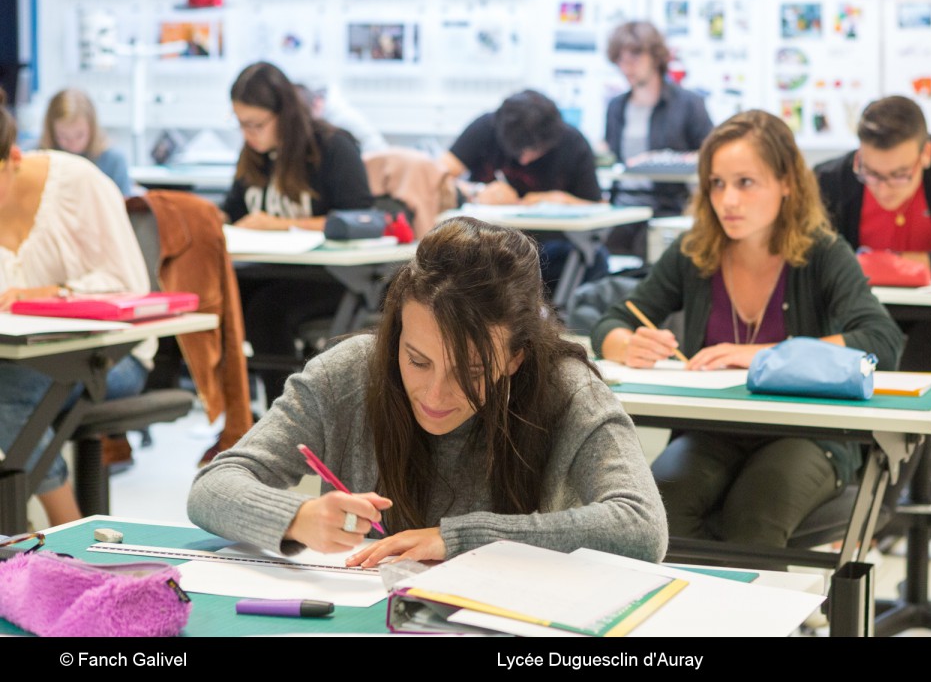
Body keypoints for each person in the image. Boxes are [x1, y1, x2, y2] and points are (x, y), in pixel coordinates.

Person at [188, 217, 668, 565]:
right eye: (418, 360)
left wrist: (459, 538)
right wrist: (299, 517)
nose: (436, 392)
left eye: (473, 371)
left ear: (516, 357)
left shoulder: (567, 390)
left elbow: (641, 527)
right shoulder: (348, 374)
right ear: (396, 334)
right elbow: (213, 486)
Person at [591, 110, 903, 547]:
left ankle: (764, 614)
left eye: (746, 183)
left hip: (807, 433)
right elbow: (613, 320)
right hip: (714, 430)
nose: (728, 201)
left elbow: (881, 341)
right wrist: (626, 345)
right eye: (717, 183)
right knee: (660, 507)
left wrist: (766, 355)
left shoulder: (823, 253)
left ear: (787, 183)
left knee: (755, 512)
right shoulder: (695, 250)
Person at [816, 95, 931, 485]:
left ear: (926, 155)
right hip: (873, 324)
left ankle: (877, 517)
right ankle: (841, 499)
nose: (884, 189)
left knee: (904, 382)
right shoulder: (834, 180)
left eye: (900, 175)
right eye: (872, 173)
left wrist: (895, 264)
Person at [0, 92, 153, 525]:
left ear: (13, 157)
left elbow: (130, 289)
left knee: (5, 389)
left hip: (112, 354)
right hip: (20, 353)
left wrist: (51, 294)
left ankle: (67, 534)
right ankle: (18, 528)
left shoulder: (78, 183)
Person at [223, 61, 374, 406]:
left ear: (284, 114)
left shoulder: (332, 147)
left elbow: (362, 219)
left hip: (331, 276)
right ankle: (233, 417)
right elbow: (232, 211)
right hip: (270, 270)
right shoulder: (254, 156)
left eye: (257, 124)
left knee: (266, 311)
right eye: (241, 124)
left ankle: (286, 422)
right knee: (215, 294)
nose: (249, 133)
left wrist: (277, 224)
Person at [440, 89, 606, 287]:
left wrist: (562, 200)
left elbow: (598, 206)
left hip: (546, 246)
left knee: (592, 261)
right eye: (517, 151)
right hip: (486, 242)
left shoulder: (572, 142)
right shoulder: (486, 127)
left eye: (535, 151)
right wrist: (476, 192)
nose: (524, 160)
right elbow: (436, 177)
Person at [603, 21, 714, 256]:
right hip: (621, 207)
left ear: (655, 56)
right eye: (620, 60)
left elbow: (711, 154)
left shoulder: (687, 104)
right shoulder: (616, 107)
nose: (627, 67)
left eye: (634, 58)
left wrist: (664, 159)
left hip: (666, 207)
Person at [39, 88, 134, 196]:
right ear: (51, 131)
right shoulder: (37, 158)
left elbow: (124, 208)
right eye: (63, 136)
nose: (72, 143)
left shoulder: (113, 160)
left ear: (92, 129)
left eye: (79, 135)